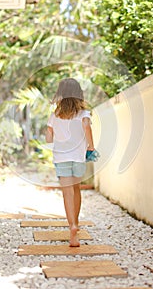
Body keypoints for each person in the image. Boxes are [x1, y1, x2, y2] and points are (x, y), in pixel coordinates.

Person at [46, 78, 95, 247]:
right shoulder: (84, 114)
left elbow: (49, 137)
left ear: (61, 94)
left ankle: (72, 226)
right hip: (78, 158)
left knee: (67, 193)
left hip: (61, 158)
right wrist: (91, 147)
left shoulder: (54, 116)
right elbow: (87, 128)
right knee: (76, 190)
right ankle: (77, 222)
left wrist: (54, 140)